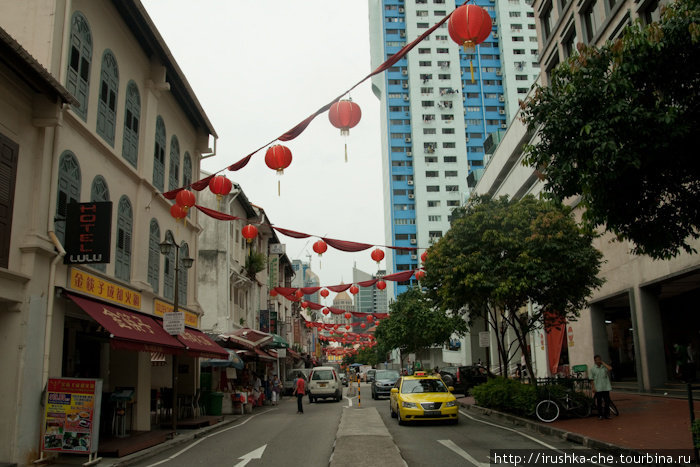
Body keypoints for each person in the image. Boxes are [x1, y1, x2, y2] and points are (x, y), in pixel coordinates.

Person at [591, 355, 613, 419]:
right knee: (599, 402)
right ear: (595, 361)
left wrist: (603, 363)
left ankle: (607, 414)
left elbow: (610, 368)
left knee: (607, 401)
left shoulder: (604, 367)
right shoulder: (593, 369)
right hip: (598, 388)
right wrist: (593, 387)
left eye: (599, 359)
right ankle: (600, 415)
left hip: (605, 387)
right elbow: (591, 379)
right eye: (597, 359)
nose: (599, 361)